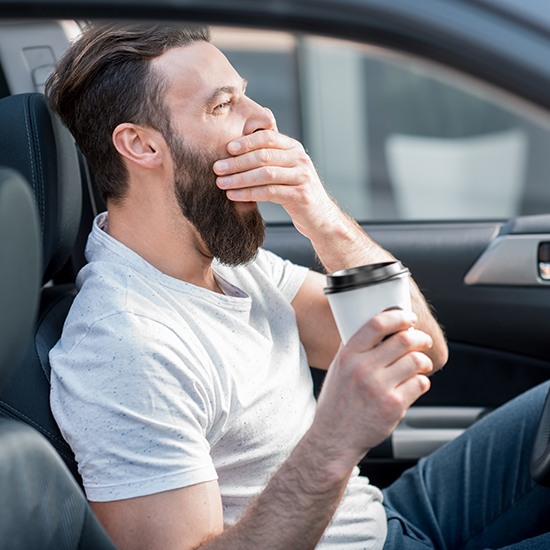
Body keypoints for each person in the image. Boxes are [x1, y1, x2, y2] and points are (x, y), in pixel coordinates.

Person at [46, 22, 549, 550]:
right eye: (223, 106)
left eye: (246, 95)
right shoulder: (124, 346)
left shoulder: (227, 260)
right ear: (141, 145)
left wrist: (323, 219)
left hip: (390, 521)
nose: (263, 119)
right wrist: (335, 440)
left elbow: (418, 344)